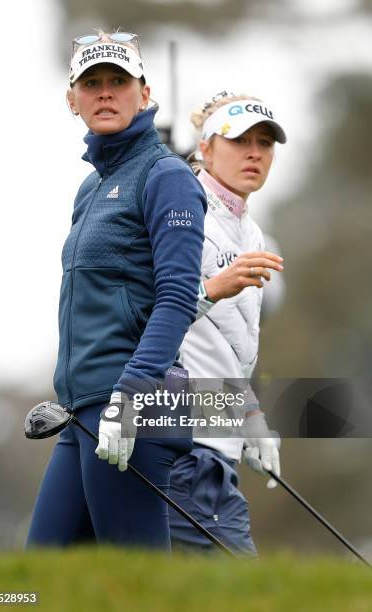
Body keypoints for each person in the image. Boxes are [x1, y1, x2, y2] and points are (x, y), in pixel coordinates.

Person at [26, 31, 207, 550]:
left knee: (138, 591)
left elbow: (177, 297)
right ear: (72, 99)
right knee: (38, 581)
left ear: (144, 94)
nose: (105, 92)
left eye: (119, 81)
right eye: (92, 82)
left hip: (132, 402)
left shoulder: (166, 175)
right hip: (82, 410)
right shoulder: (89, 189)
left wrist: (130, 396)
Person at [168, 91, 287, 554]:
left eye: (265, 142)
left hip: (218, 442)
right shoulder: (183, 211)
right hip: (180, 438)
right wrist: (213, 287)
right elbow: (150, 317)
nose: (254, 152)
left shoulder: (251, 230)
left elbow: (228, 346)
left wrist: (252, 418)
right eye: (239, 140)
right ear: (205, 148)